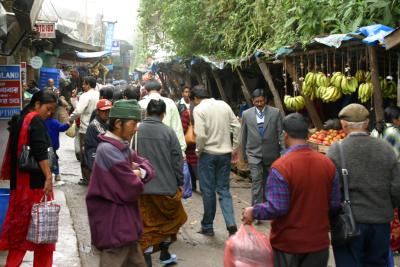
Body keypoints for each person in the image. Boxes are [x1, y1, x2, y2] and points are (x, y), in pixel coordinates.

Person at [242, 113, 340, 267]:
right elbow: (334, 204)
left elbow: (277, 207)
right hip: (318, 244)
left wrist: (253, 211)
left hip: (288, 245)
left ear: (285, 135)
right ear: (308, 135)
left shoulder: (281, 167)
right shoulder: (327, 164)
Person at [326, 104, 400, 267]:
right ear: (367, 123)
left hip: (349, 224)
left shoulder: (335, 151)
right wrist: (386, 206)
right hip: (380, 223)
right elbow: (396, 188)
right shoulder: (386, 149)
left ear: (343, 125)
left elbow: (330, 192)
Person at [86, 99, 155, 267]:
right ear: (118, 123)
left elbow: (149, 167)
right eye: (134, 123)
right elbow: (132, 187)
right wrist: (138, 173)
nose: (136, 128)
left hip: (126, 226)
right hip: (114, 227)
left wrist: (138, 171)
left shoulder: (120, 147)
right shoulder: (108, 150)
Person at [0, 90, 58, 267]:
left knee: (19, 235)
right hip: (35, 187)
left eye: (51, 111)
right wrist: (48, 177)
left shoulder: (20, 119)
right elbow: (41, 151)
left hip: (20, 187)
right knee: (43, 236)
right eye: (47, 109)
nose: (49, 114)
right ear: (37, 104)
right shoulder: (35, 120)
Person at [136, 99, 187, 267]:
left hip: (141, 188)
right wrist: (180, 181)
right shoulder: (169, 132)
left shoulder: (136, 130)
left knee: (147, 226)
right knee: (169, 223)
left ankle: (149, 259)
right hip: (167, 188)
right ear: (163, 114)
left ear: (147, 112)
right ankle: (164, 254)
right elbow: (177, 161)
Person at [191, 85, 240, 236]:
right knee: (224, 189)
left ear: (195, 98)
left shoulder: (198, 109)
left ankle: (207, 226)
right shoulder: (223, 105)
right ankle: (231, 223)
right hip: (225, 153)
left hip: (207, 154)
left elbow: (201, 135)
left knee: (208, 191)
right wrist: (234, 147)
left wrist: (198, 150)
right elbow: (237, 126)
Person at [241, 89, 284, 211]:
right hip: (253, 154)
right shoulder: (246, 114)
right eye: (256, 101)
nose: (259, 104)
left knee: (269, 183)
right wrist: (244, 155)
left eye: (261, 101)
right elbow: (243, 135)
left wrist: (283, 152)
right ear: (252, 101)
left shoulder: (275, 113)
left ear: (265, 100)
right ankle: (256, 210)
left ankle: (268, 207)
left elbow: (280, 133)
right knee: (256, 182)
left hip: (271, 154)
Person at [139, 80, 186, 154]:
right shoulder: (170, 102)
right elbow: (177, 127)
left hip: (146, 147)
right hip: (168, 145)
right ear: (160, 90)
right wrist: (182, 150)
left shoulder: (141, 104)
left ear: (146, 91)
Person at [69, 76, 100, 185]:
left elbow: (78, 111)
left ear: (88, 84)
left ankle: (87, 178)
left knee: (85, 153)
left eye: (84, 84)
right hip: (98, 127)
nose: (82, 86)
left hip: (85, 128)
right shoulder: (98, 94)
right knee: (96, 152)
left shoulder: (85, 96)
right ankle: (96, 177)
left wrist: (70, 119)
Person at [81, 99, 113, 185]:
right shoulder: (96, 125)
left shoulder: (105, 122)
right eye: (104, 111)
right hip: (94, 157)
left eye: (108, 110)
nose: (107, 113)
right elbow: (109, 139)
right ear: (98, 111)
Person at [45, 113, 70, 181]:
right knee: (54, 159)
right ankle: (57, 174)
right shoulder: (54, 122)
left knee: (44, 159)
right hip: (53, 145)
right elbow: (62, 128)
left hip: (43, 145)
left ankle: (46, 174)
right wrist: (67, 124)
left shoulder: (40, 121)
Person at [181, 101, 198, 191]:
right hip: (202, 143)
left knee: (191, 164)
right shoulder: (204, 111)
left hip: (190, 144)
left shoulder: (187, 113)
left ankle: (194, 186)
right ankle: (200, 185)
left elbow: (183, 128)